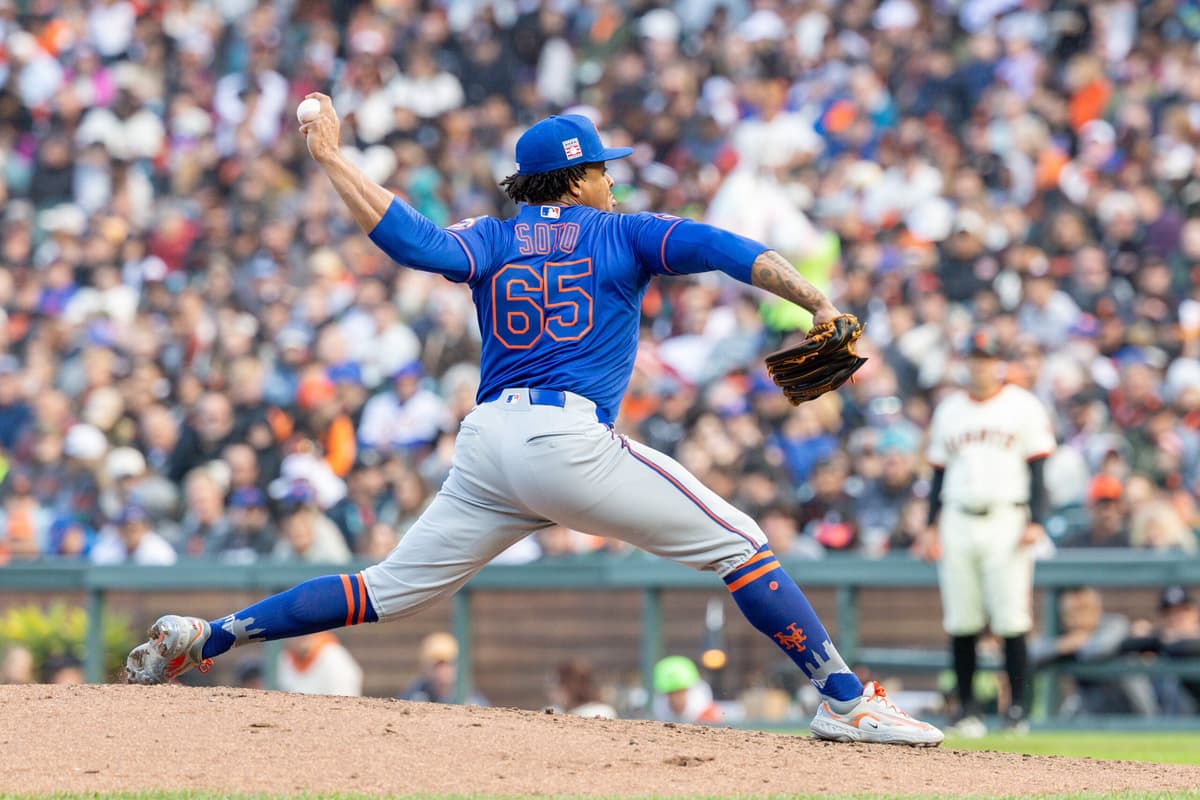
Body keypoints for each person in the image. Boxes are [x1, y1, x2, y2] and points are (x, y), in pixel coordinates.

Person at [125, 100, 941, 746]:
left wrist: (334, 157)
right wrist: (818, 301)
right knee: (740, 543)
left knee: (385, 590)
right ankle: (846, 702)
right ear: (579, 176)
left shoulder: (494, 236)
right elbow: (727, 248)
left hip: (486, 446)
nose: (612, 183)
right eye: (603, 170)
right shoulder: (623, 231)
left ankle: (211, 635)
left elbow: (414, 242)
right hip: (565, 440)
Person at [920, 328, 1055, 736]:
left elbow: (1038, 470)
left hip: (1007, 518)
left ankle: (1016, 710)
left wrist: (1037, 520)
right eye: (974, 358)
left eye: (986, 357)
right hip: (958, 517)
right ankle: (966, 710)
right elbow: (937, 474)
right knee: (962, 619)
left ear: (999, 362)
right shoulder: (949, 409)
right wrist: (930, 525)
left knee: (1012, 617)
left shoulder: (1023, 405)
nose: (979, 365)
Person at [398, 632, 487, 706]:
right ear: (426, 668)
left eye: (449, 663)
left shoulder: (470, 697)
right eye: (438, 665)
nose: (444, 670)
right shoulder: (417, 693)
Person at [650, 655, 721, 724]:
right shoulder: (660, 712)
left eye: (680, 692)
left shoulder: (707, 712)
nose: (676, 699)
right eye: (670, 693)